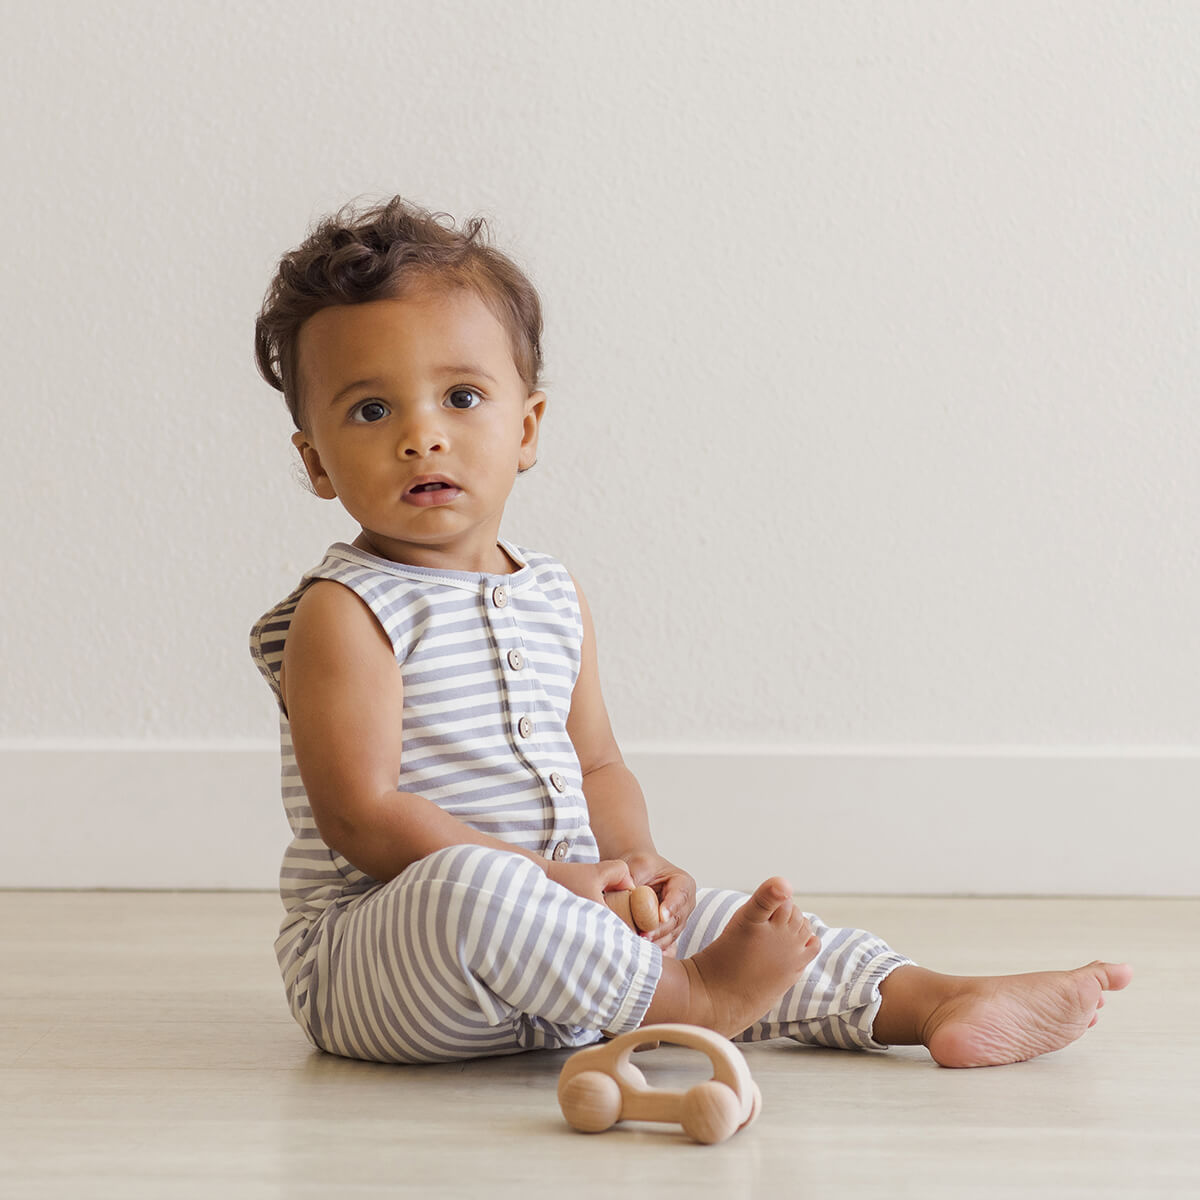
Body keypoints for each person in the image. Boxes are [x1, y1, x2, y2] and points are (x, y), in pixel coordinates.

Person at [250, 196, 1131, 1068]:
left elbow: (598, 766)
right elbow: (364, 818)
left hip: (567, 934)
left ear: (526, 428)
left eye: (462, 397)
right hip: (386, 966)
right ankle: (694, 1001)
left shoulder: (551, 593)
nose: (422, 437)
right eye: (372, 411)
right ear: (317, 462)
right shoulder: (346, 609)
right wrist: (550, 881)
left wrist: (635, 863)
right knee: (473, 889)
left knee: (734, 919)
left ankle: (932, 1000)